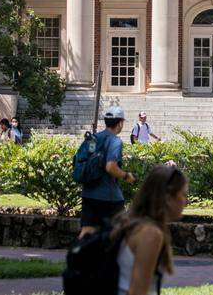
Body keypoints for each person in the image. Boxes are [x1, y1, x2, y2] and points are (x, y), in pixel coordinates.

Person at [112, 165, 189, 295]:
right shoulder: (150, 234)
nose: (186, 201)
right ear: (168, 198)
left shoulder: (128, 223)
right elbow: (138, 292)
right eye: (183, 194)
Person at [79, 106, 137, 237]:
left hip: (88, 193)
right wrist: (126, 175)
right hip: (109, 197)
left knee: (87, 230)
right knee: (117, 233)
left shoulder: (94, 138)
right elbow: (110, 167)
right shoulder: (115, 141)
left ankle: (78, 255)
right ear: (120, 122)